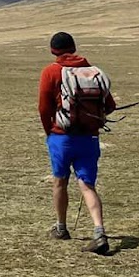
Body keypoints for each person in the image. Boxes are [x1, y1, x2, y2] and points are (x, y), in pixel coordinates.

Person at [38, 30, 114, 255]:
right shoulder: (93, 72)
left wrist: (49, 132)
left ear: (53, 50)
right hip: (89, 138)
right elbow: (109, 105)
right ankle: (99, 232)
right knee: (87, 185)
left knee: (60, 181)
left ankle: (61, 228)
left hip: (61, 137)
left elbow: (44, 108)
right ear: (73, 47)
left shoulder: (51, 72)